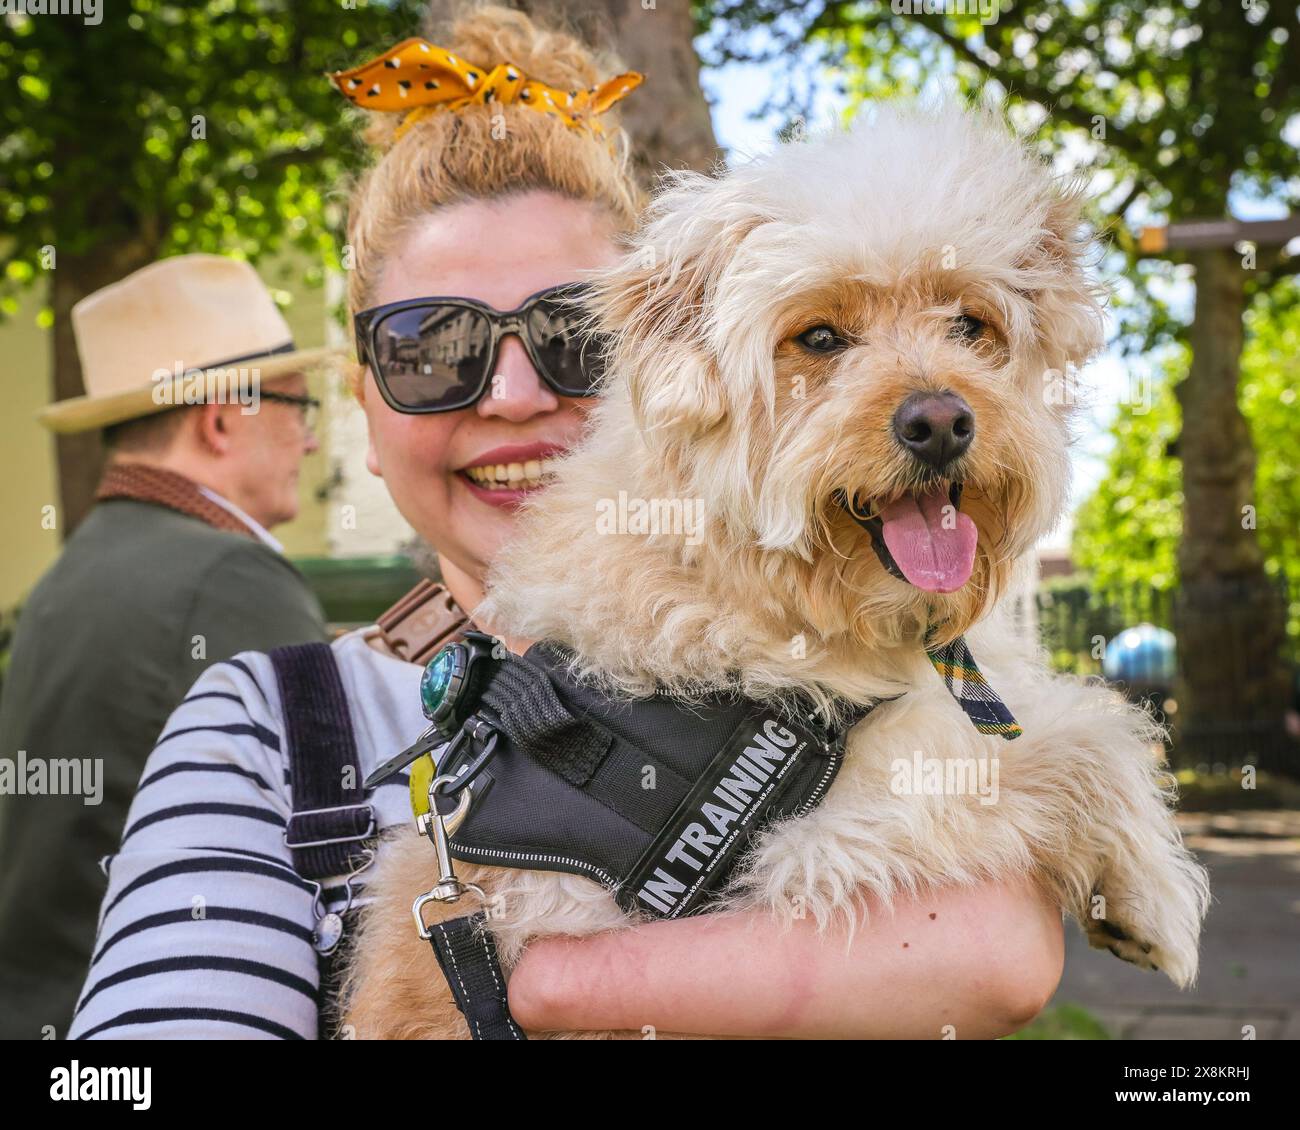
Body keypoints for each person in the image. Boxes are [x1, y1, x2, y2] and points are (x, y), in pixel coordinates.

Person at [67, 3, 1063, 1041]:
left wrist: (544, 983)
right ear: (363, 411)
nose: (507, 392)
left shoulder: (878, 645)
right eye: (429, 347)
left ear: (675, 366)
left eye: (570, 335)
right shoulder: (268, 730)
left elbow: (1007, 950)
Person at [0, 253, 331, 1038]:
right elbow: (338, 851)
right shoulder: (229, 578)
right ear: (219, 419)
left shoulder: (78, 567)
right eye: (299, 408)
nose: (310, 444)